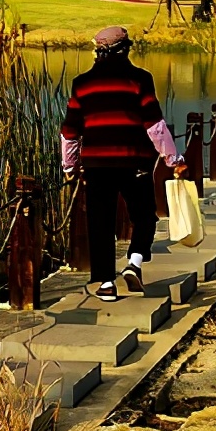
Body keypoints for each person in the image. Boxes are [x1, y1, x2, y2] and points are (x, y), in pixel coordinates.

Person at [61, 26, 189, 302]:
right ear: (126, 49)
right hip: (135, 161)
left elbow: (70, 131)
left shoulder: (81, 84)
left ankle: (106, 283)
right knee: (144, 215)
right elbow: (154, 125)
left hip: (96, 165)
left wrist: (69, 166)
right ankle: (135, 262)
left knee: (100, 222)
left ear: (98, 52)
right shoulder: (140, 79)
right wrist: (173, 159)